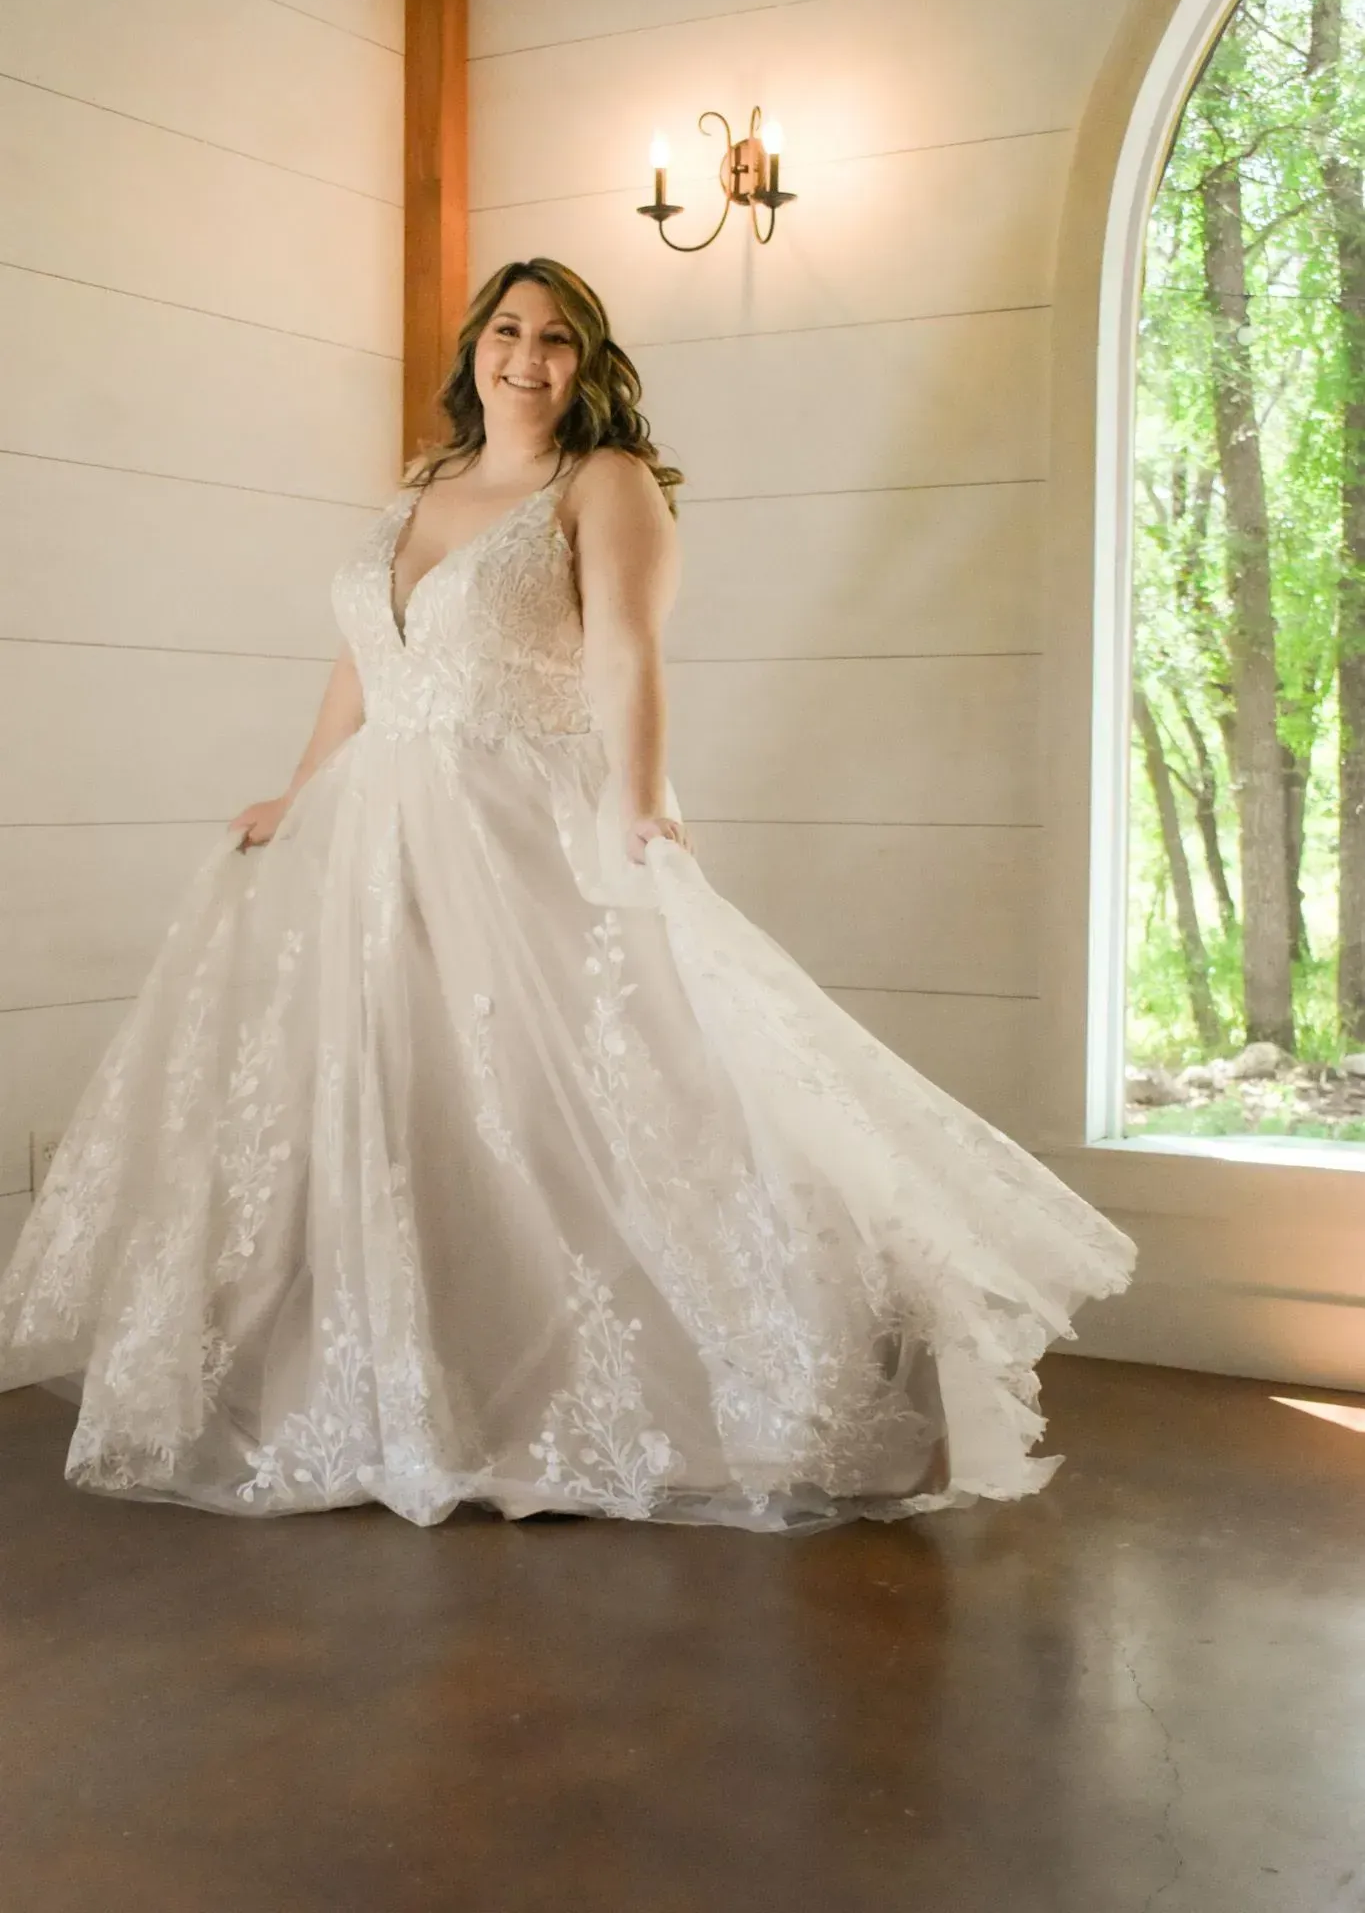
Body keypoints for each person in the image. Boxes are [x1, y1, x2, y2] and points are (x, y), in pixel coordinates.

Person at [0, 257, 1136, 1532]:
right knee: (396, 1096)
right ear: (474, 349)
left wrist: (640, 797)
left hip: (512, 826)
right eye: (506, 331)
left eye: (555, 339)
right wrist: (299, 786)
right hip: (374, 835)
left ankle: (747, 1369)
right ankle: (414, 1389)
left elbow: (626, 651)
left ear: (588, 363)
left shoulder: (606, 483)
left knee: (586, 1098)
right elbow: (366, 659)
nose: (527, 357)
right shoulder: (426, 484)